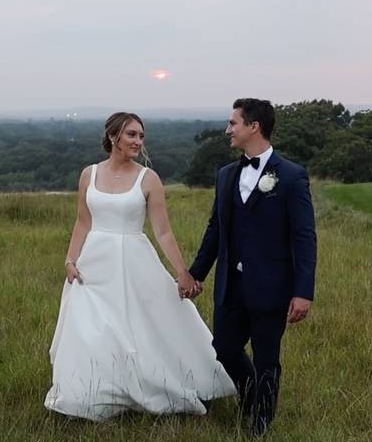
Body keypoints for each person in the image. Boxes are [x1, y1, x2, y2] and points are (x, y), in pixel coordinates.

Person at [45, 112, 236, 421]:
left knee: (142, 325)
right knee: (93, 329)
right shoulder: (88, 174)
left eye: (141, 136)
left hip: (133, 260)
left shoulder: (148, 179)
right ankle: (92, 393)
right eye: (132, 135)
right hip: (93, 264)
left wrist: (182, 272)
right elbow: (83, 221)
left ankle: (159, 384)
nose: (138, 141)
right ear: (113, 137)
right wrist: (70, 260)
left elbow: (163, 231)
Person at [188, 98, 317, 438]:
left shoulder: (290, 176)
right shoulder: (226, 175)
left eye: (233, 123)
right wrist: (195, 274)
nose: (228, 129)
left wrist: (303, 292)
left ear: (253, 126)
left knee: (266, 358)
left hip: (272, 286)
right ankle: (250, 397)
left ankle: (261, 422)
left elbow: (304, 237)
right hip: (231, 285)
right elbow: (215, 229)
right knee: (225, 350)